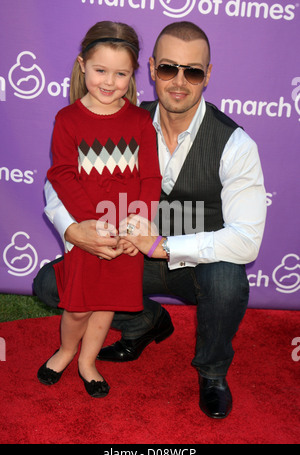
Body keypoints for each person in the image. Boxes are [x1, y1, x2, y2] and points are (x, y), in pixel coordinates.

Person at [34, 21, 266, 416]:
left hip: (193, 263)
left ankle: (211, 372)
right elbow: (59, 180)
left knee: (228, 281)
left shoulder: (235, 144)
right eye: (168, 69)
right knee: (50, 285)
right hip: (123, 247)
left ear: (207, 76)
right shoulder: (124, 117)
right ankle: (148, 321)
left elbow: (246, 240)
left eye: (192, 71)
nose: (179, 81)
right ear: (153, 68)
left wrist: (163, 245)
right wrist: (74, 229)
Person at [36, 21, 162, 398]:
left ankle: (88, 362)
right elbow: (61, 174)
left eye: (121, 73)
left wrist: (136, 226)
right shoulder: (68, 119)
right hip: (88, 233)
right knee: (76, 307)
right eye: (100, 70)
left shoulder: (141, 122)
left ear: (133, 75)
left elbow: (151, 179)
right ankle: (66, 350)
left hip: (125, 236)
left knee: (106, 306)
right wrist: (89, 223)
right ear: (82, 65)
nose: (109, 82)